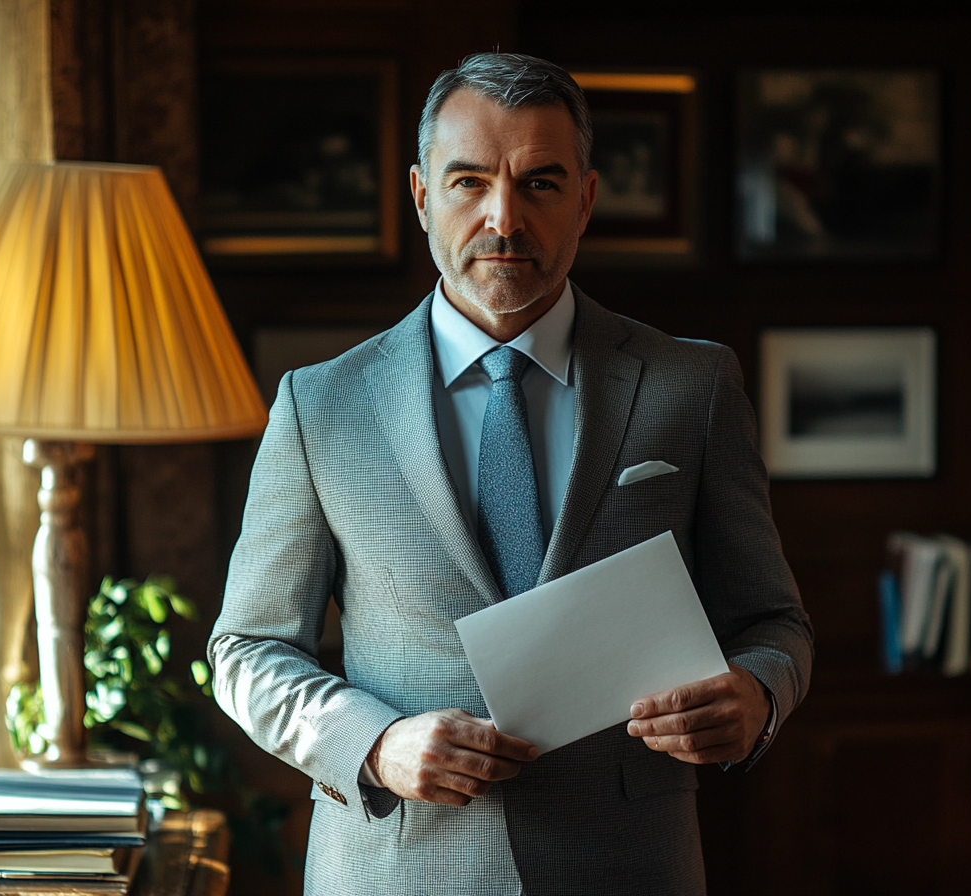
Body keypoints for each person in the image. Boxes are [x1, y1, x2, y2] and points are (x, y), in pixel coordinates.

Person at [209, 53, 812, 896]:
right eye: (468, 183)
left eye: (539, 183)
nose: (503, 219)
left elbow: (775, 622)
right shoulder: (320, 407)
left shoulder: (694, 387)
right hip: (398, 871)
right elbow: (246, 649)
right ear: (422, 197)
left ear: (587, 201)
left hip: (629, 866)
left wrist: (757, 693)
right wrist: (375, 745)